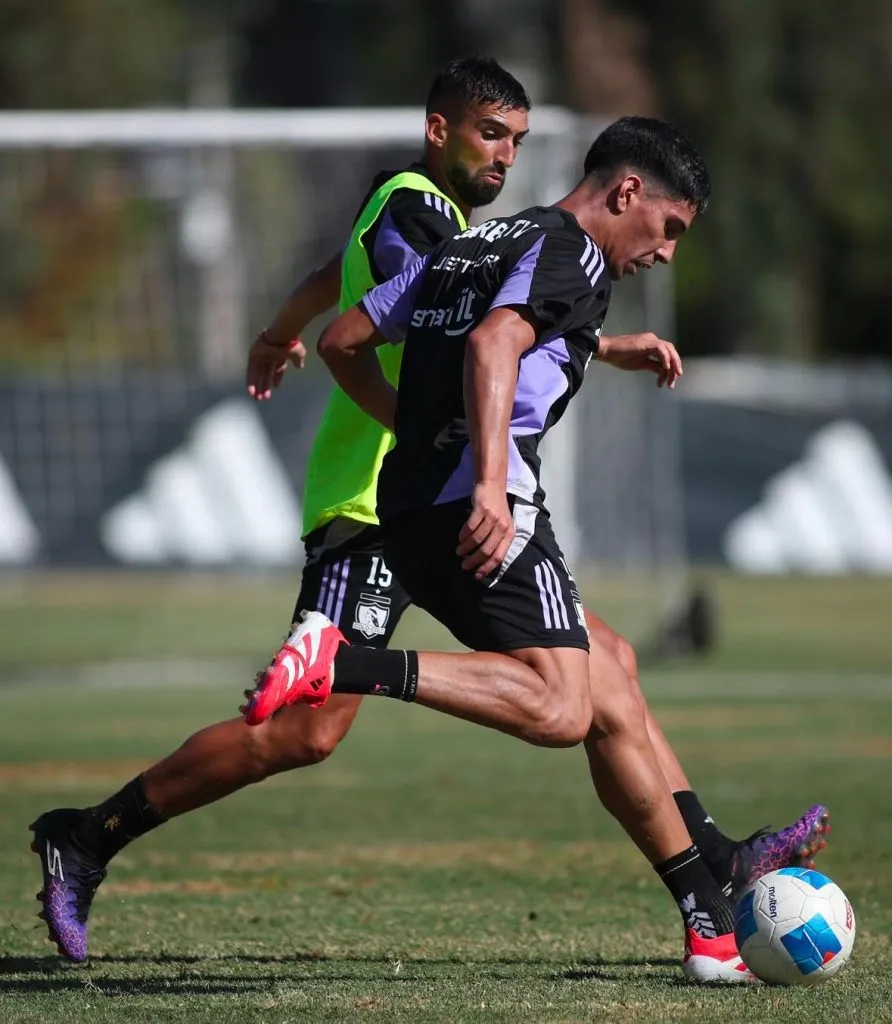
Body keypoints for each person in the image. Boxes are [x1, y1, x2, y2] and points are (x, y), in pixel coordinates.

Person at [29, 70, 825, 965]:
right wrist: (475, 437)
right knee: (303, 731)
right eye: (491, 134)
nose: (506, 155)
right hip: (383, 502)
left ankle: (709, 889)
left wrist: (279, 330)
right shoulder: (421, 211)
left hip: (425, 488)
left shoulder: (444, 226)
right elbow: (453, 316)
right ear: (437, 129)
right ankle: (90, 835)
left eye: (517, 140)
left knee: (606, 670)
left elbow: (344, 282)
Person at [241, 116, 825, 984]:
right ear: (626, 193)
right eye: (669, 228)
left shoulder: (482, 242)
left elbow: (340, 340)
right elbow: (492, 341)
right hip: (484, 504)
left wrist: (424, 437)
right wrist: (483, 479)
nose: (665, 253)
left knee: (610, 670)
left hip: (408, 507)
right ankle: (342, 661)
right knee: (562, 707)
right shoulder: (574, 253)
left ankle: (712, 902)